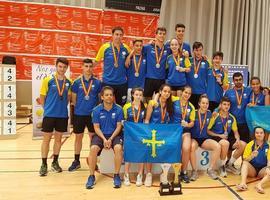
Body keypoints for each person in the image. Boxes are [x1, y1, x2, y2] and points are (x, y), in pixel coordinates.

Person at [39, 57, 72, 176]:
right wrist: (47, 109)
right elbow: (42, 98)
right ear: (56, 66)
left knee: (58, 140)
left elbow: (68, 98)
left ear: (66, 68)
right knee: (46, 140)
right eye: (60, 66)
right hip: (49, 115)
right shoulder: (48, 80)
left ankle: (55, 162)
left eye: (64, 67)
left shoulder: (69, 82)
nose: (62, 69)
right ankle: (43, 164)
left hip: (62, 116)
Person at [86, 86, 124, 189]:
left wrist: (111, 139)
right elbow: (96, 127)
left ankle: (116, 175)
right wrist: (104, 139)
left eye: (111, 95)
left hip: (114, 134)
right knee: (93, 149)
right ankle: (91, 176)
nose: (109, 97)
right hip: (101, 135)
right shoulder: (96, 110)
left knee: (118, 148)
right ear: (102, 97)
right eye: (106, 95)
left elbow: (119, 126)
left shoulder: (119, 109)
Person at [68, 59, 102, 171]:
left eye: (90, 66)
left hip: (92, 115)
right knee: (78, 137)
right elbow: (73, 100)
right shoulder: (76, 82)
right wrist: (80, 108)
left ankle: (93, 160)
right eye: (86, 66)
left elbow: (98, 100)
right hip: (79, 114)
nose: (88, 69)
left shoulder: (97, 83)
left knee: (93, 138)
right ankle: (76, 161)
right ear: (82, 67)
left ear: (93, 68)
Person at [207, 97, 246, 177]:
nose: (226, 106)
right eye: (224, 104)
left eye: (228, 105)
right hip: (215, 136)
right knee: (225, 143)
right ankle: (222, 166)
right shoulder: (215, 116)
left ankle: (229, 164)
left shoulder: (232, 117)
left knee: (243, 144)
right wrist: (219, 135)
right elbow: (208, 131)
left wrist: (237, 139)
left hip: (225, 137)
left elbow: (235, 132)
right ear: (220, 105)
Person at [144, 84, 174, 187]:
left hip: (164, 133)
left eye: (168, 92)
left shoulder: (170, 105)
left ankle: (163, 173)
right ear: (160, 91)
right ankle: (148, 174)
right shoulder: (152, 103)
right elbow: (147, 119)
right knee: (149, 149)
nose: (166, 93)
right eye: (164, 91)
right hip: (152, 133)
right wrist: (147, 132)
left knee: (168, 147)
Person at [95, 26, 130, 106]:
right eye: (116, 34)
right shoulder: (105, 47)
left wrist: (128, 57)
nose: (118, 37)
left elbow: (134, 56)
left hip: (122, 83)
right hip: (108, 82)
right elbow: (96, 61)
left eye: (121, 35)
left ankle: (120, 119)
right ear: (112, 35)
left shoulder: (126, 48)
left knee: (121, 106)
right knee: (105, 105)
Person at [190, 94, 220, 180]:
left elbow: (210, 127)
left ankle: (210, 170)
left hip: (204, 139)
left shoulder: (210, 114)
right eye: (203, 103)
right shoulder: (194, 113)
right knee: (191, 147)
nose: (205, 105)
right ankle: (194, 171)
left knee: (217, 146)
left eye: (207, 103)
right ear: (199, 103)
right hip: (194, 138)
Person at [171, 85, 195, 183]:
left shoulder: (191, 107)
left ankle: (183, 172)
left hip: (185, 131)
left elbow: (192, 122)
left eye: (189, 93)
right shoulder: (173, 100)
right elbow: (160, 96)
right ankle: (175, 172)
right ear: (181, 92)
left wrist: (188, 124)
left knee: (186, 148)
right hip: (174, 131)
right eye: (186, 92)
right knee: (175, 148)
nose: (187, 95)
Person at [123, 88, 146, 186]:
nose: (138, 96)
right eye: (136, 94)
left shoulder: (144, 106)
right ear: (132, 95)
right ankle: (126, 174)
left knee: (141, 153)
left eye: (140, 95)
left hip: (140, 135)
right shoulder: (127, 106)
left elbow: (145, 121)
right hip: (130, 135)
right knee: (128, 153)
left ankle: (140, 174)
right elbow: (123, 120)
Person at [237, 127, 270, 194]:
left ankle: (259, 185)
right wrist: (252, 156)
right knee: (245, 163)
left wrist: (268, 168)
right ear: (254, 134)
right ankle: (243, 183)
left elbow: (269, 160)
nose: (259, 134)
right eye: (257, 133)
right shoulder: (250, 144)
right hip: (252, 170)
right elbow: (245, 159)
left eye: (261, 133)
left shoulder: (268, 145)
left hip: (262, 170)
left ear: (264, 134)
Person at [143, 27, 170, 102]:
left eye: (164, 34)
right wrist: (128, 58)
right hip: (149, 78)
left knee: (159, 101)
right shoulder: (148, 47)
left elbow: (177, 53)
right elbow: (137, 50)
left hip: (161, 79)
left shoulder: (168, 49)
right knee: (146, 101)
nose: (162, 35)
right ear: (156, 35)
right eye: (160, 33)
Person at [224, 72, 252, 144]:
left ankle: (244, 156)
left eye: (240, 79)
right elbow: (223, 104)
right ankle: (229, 156)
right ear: (233, 81)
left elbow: (258, 90)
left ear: (243, 80)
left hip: (244, 123)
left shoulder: (249, 91)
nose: (238, 81)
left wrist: (266, 91)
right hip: (232, 122)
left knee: (244, 144)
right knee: (230, 145)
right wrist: (215, 110)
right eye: (236, 80)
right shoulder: (228, 92)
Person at [186, 42, 209, 109]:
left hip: (201, 92)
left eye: (200, 50)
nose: (198, 52)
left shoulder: (206, 62)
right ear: (193, 51)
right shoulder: (188, 60)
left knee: (199, 113)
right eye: (196, 50)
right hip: (189, 92)